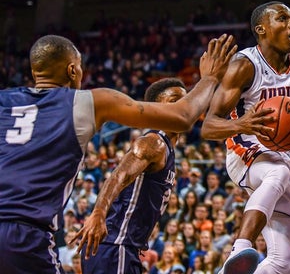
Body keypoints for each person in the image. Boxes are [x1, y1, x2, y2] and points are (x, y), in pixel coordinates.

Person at [0, 34, 234, 273]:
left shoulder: (3, 100)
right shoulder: (88, 102)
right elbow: (184, 117)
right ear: (72, 70)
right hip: (27, 234)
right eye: (80, 67)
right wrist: (211, 77)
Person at [200, 2, 290, 274]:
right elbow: (208, 126)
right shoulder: (244, 65)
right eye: (283, 19)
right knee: (276, 173)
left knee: (286, 262)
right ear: (261, 30)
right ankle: (240, 248)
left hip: (279, 157)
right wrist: (243, 123)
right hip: (244, 150)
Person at [74, 77, 220, 273]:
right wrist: (98, 212)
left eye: (185, 101)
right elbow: (118, 176)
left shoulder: (167, 149)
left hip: (125, 247)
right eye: (174, 101)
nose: (183, 107)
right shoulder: (154, 142)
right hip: (115, 244)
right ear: (156, 108)